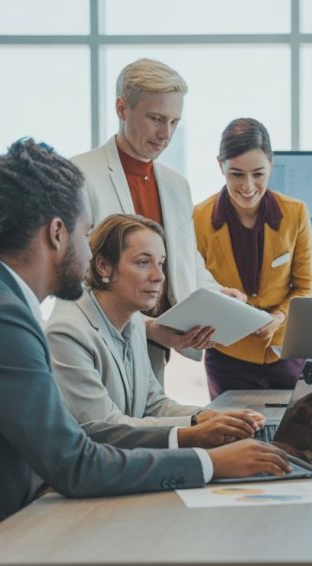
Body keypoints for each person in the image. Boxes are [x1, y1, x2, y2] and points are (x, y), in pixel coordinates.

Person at [0, 139, 291, 566]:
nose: (92, 255)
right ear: (56, 233)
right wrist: (211, 463)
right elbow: (76, 462)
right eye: (86, 234)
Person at [71, 58, 244, 384]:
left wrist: (220, 295)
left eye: (174, 122)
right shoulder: (80, 176)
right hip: (98, 344)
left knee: (149, 427)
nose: (166, 134)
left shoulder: (177, 186)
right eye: (156, 119)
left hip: (156, 351)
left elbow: (185, 263)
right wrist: (150, 328)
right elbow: (74, 276)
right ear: (122, 108)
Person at [46, 213, 265, 447]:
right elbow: (105, 427)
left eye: (160, 263)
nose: (159, 276)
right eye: (143, 262)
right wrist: (196, 431)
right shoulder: (67, 333)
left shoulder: (134, 321)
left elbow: (153, 404)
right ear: (103, 266)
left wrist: (206, 417)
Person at [192, 118, 312, 398]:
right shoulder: (198, 218)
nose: (248, 186)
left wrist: (278, 317)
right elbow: (196, 286)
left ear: (271, 164)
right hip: (228, 356)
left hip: (286, 352)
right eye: (236, 174)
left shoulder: (295, 213)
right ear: (220, 166)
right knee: (235, 437)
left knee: (295, 437)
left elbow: (305, 287)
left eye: (258, 173)